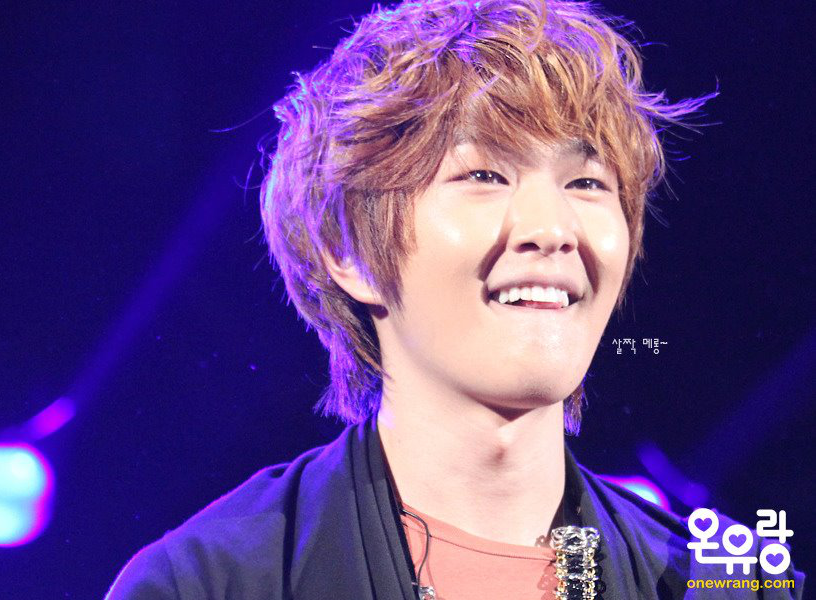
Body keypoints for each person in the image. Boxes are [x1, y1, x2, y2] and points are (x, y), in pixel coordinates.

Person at [106, 1, 805, 598]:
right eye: (484, 175)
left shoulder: (723, 584)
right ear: (347, 250)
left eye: (587, 184)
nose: (552, 229)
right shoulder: (215, 582)